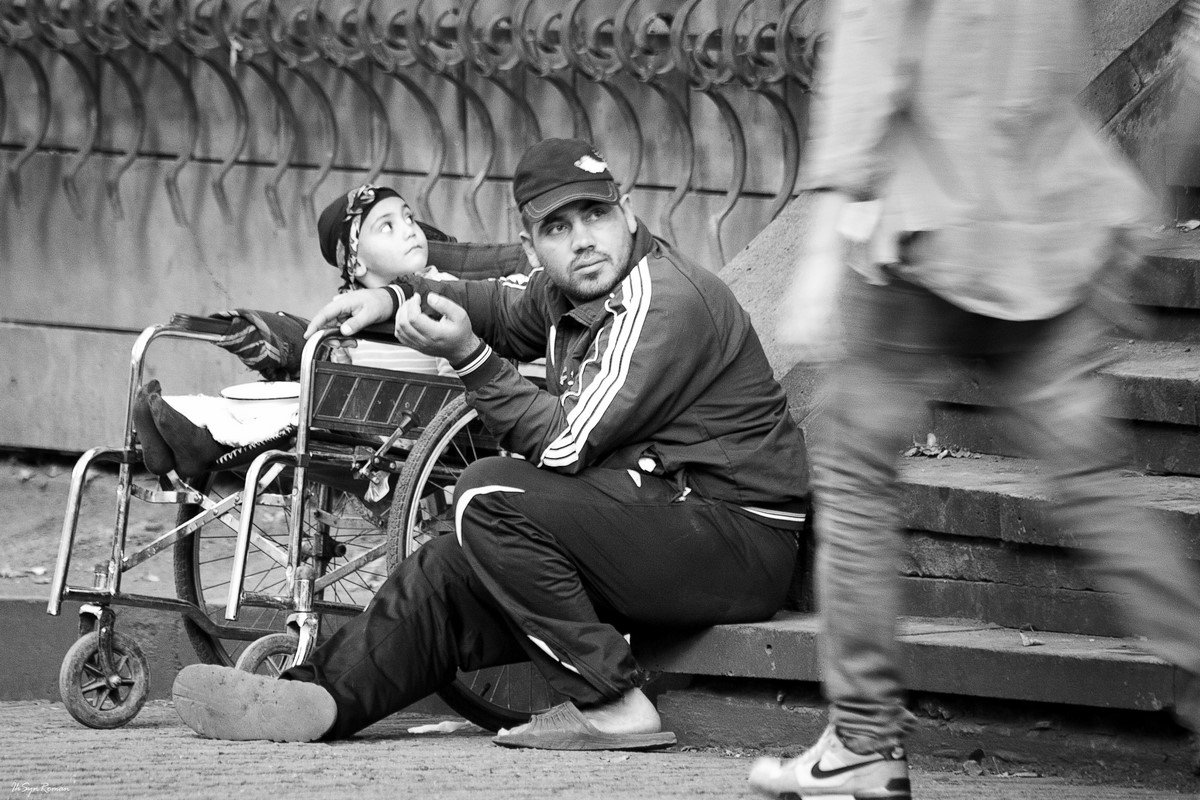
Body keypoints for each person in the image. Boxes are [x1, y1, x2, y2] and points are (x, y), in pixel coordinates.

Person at [169, 137, 811, 750]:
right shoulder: (568, 289)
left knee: (487, 494)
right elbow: (496, 305)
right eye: (557, 228)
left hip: (736, 539)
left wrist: (470, 359)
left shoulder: (663, 299)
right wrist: (392, 298)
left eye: (596, 214)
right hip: (654, 517)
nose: (583, 240)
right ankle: (319, 698)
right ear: (531, 245)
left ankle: (613, 704)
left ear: (628, 212)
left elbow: (563, 446)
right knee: (450, 563)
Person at [748, 3, 1200, 798]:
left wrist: (819, 252)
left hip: (922, 225)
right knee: (1094, 487)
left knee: (855, 479)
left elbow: (869, 58)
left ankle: (862, 739)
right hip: (1039, 228)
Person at [133, 184, 459, 480]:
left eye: (409, 218)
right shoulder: (345, 308)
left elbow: (456, 370)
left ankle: (199, 444)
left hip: (418, 429)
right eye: (388, 226)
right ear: (357, 263)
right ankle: (185, 424)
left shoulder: (445, 292)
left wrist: (445, 429)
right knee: (277, 407)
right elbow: (340, 381)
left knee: (291, 416)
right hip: (360, 425)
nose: (410, 230)